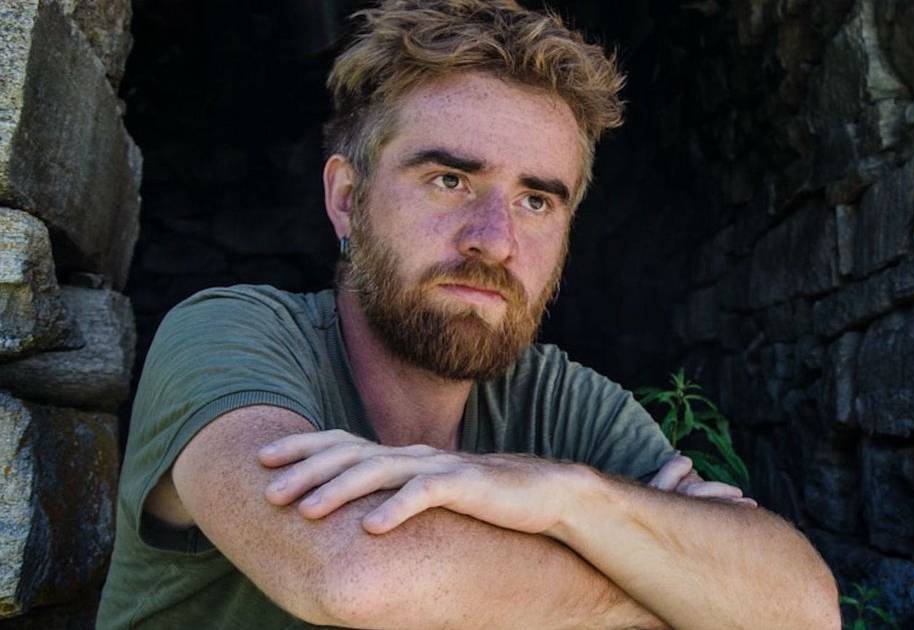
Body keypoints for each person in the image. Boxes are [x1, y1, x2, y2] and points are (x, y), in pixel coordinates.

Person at [97, 1, 840, 627]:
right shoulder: (229, 336)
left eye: (536, 200)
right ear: (347, 199)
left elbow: (805, 613)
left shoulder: (563, 405)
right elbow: (357, 573)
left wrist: (569, 495)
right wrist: (660, 594)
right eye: (450, 180)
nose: (495, 240)